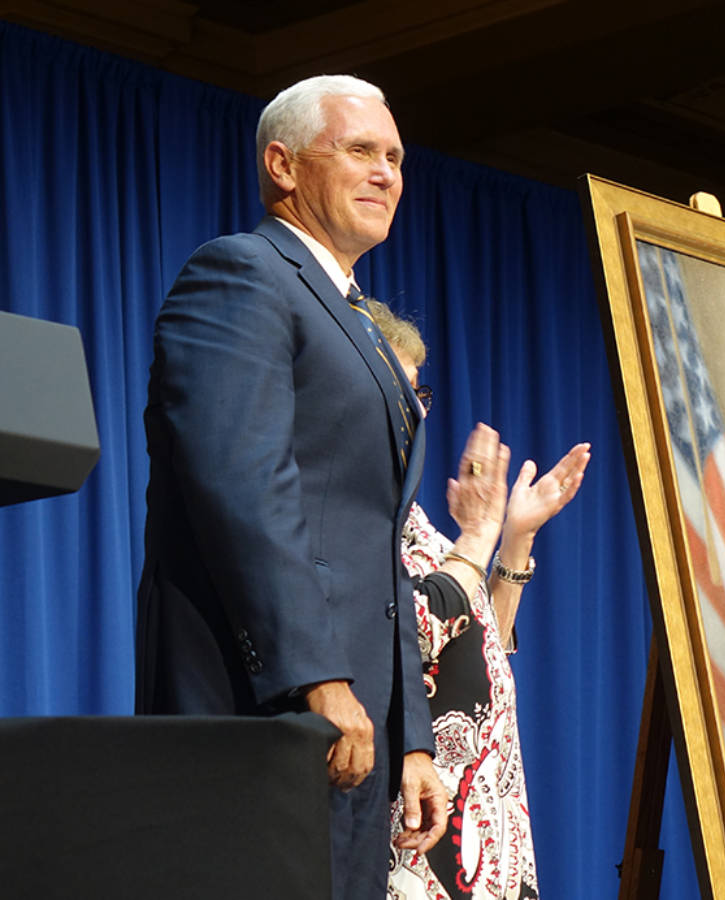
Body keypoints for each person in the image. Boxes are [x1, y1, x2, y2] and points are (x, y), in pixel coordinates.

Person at [136, 75, 444, 900]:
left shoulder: (359, 324)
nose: (386, 173)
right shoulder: (242, 275)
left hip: (350, 727)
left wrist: (410, 734)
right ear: (283, 164)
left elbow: (379, 547)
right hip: (264, 707)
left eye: (395, 157)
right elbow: (245, 488)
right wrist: (318, 679)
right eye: (360, 151)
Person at [371, 301, 589, 899]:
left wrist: (515, 539)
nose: (413, 410)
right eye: (394, 389)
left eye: (420, 393)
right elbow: (408, 633)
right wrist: (477, 537)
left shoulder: (417, 524)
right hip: (416, 829)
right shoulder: (348, 516)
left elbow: (477, 637)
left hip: (488, 821)